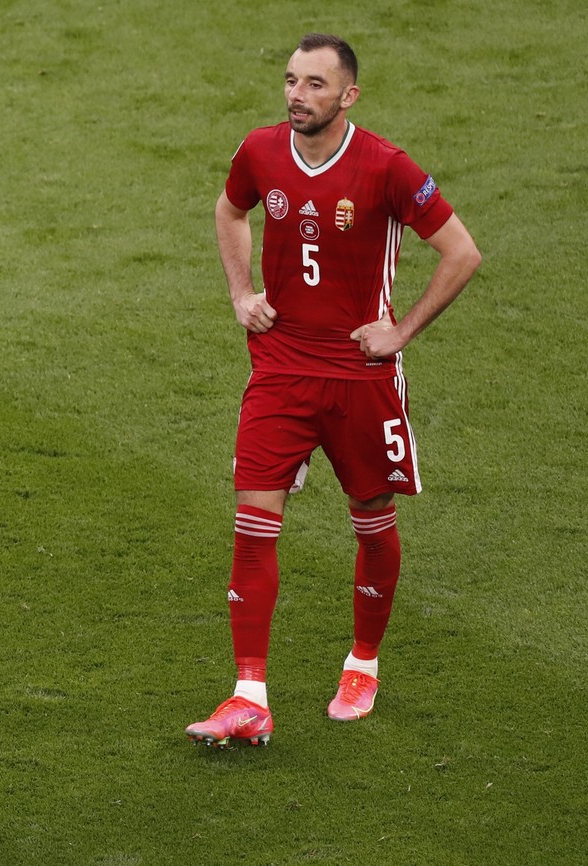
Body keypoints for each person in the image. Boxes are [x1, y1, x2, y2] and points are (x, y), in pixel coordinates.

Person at [186, 33, 481, 748]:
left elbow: (461, 252)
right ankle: (248, 695)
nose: (297, 94)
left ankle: (363, 663)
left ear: (348, 95)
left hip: (359, 375)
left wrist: (400, 332)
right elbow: (230, 211)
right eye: (290, 80)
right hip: (280, 368)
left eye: (316, 84)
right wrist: (240, 293)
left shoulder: (386, 166)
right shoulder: (258, 151)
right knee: (253, 521)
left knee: (371, 519)